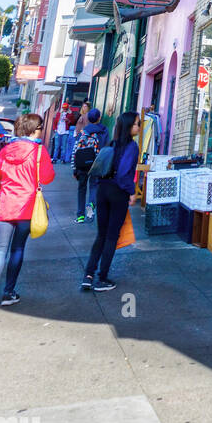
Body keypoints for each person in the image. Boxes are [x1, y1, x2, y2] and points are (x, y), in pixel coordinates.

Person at [0, 113, 56, 307]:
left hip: (4, 204)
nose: (41, 131)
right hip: (27, 206)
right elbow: (47, 178)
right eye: (40, 127)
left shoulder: (4, 151)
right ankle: (8, 292)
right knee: (18, 249)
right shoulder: (39, 151)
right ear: (33, 130)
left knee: (0, 250)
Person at [82, 111, 139, 293]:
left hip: (103, 190)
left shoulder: (112, 144)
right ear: (130, 127)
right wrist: (131, 191)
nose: (139, 126)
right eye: (137, 123)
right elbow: (123, 173)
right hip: (117, 192)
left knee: (101, 234)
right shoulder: (132, 146)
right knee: (112, 236)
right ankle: (102, 278)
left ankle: (88, 275)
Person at [72, 107, 109, 222]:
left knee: (81, 189)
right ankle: (91, 206)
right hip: (96, 164)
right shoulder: (103, 131)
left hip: (82, 165)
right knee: (94, 186)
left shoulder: (84, 131)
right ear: (99, 118)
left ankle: (80, 216)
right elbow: (106, 148)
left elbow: (76, 150)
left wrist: (74, 169)